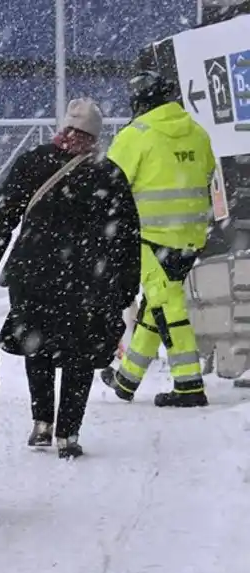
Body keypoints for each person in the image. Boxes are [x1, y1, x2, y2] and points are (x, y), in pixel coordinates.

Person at [0, 98, 141, 458]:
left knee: (39, 346)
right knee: (79, 354)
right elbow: (126, 236)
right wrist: (127, 285)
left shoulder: (34, 161)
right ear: (95, 135)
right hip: (87, 281)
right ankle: (68, 434)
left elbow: (3, 212)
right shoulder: (107, 173)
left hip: (33, 274)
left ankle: (42, 422)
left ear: (63, 128)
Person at [101, 70, 217, 408]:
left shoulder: (135, 135)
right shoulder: (197, 132)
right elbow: (208, 174)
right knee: (158, 304)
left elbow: (110, 186)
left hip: (149, 236)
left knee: (167, 306)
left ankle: (189, 385)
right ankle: (127, 380)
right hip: (191, 235)